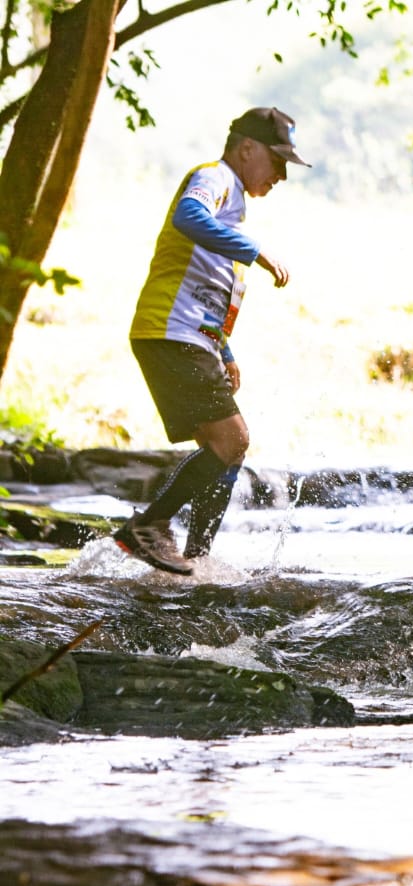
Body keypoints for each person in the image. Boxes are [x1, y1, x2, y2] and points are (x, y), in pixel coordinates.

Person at [112, 107, 308, 575]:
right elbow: (187, 215)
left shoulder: (233, 215)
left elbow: (209, 295)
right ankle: (148, 527)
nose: (281, 175)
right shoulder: (215, 178)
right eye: (277, 162)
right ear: (246, 149)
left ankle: (196, 558)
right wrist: (256, 251)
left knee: (227, 449)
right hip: (168, 332)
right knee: (233, 438)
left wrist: (225, 351)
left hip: (190, 339)